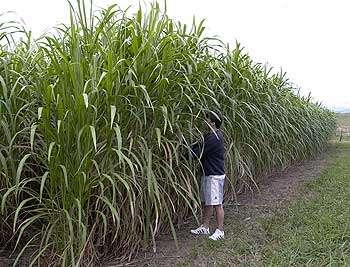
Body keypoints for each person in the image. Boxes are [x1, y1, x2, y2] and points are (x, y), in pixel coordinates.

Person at [188, 111, 225, 240]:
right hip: (208, 174)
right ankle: (205, 227)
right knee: (208, 202)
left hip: (214, 176)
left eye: (207, 120)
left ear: (212, 122)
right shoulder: (210, 136)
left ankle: (220, 230)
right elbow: (198, 146)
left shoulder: (215, 137)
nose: (205, 122)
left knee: (217, 203)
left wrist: (183, 150)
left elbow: (198, 152)